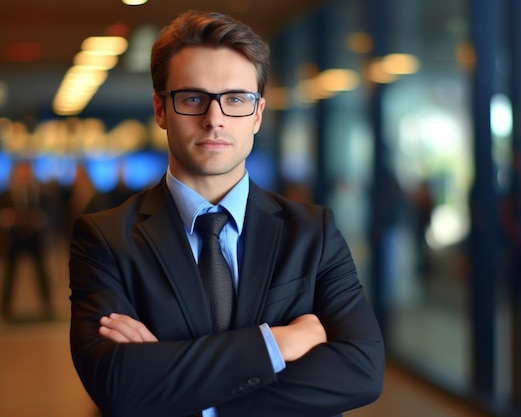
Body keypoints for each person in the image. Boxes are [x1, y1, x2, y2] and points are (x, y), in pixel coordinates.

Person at [69, 10, 384, 417]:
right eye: (193, 98)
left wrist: (175, 385)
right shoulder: (105, 238)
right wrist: (276, 344)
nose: (214, 119)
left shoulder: (312, 232)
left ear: (257, 113)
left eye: (236, 99)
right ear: (161, 110)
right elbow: (117, 384)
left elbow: (361, 370)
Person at [0, 161, 53, 318]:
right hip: (14, 238)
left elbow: (48, 212)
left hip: (34, 238)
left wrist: (39, 219)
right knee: (11, 272)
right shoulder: (7, 194)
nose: (24, 174)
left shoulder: (39, 193)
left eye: (26, 171)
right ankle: (6, 306)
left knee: (41, 271)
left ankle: (46, 305)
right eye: (21, 171)